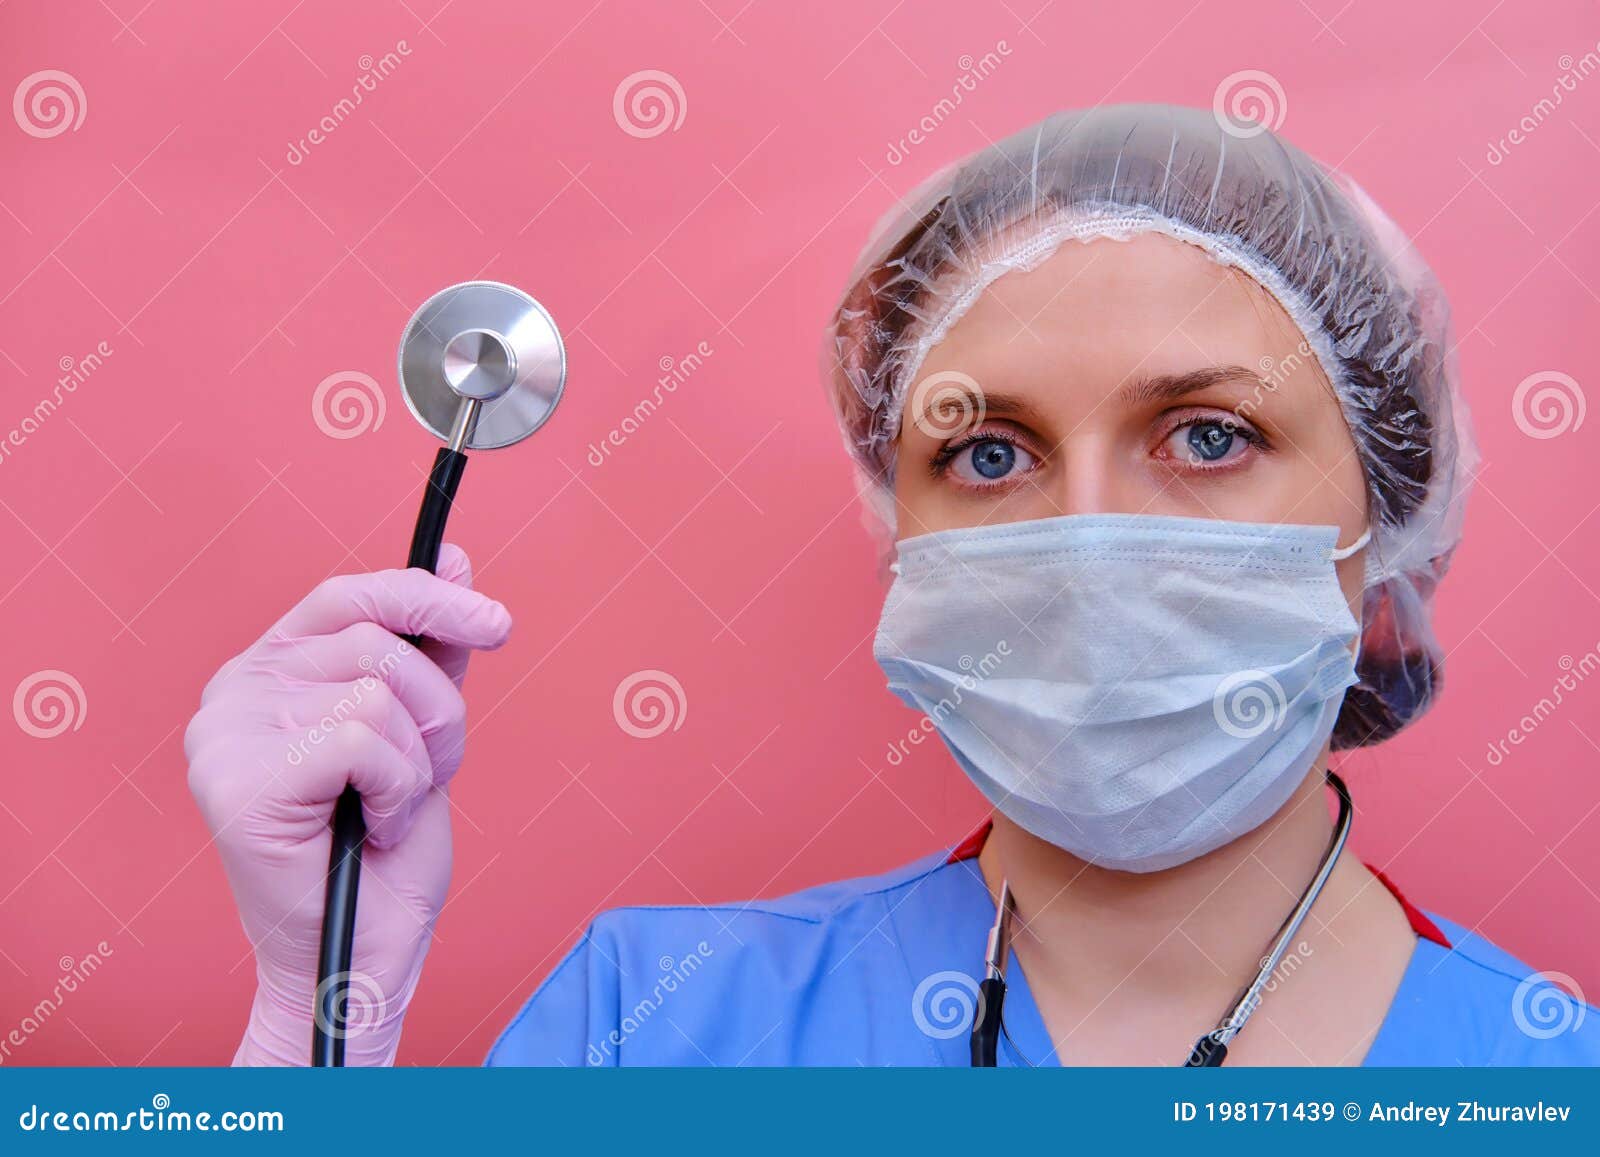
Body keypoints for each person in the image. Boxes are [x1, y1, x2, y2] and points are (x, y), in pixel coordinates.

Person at [185, 104, 1598, 1066]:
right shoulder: (660, 1030)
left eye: (1210, 436)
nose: (1086, 543)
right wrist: (317, 1011)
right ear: (901, 527)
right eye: (987, 450)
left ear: (1388, 525)